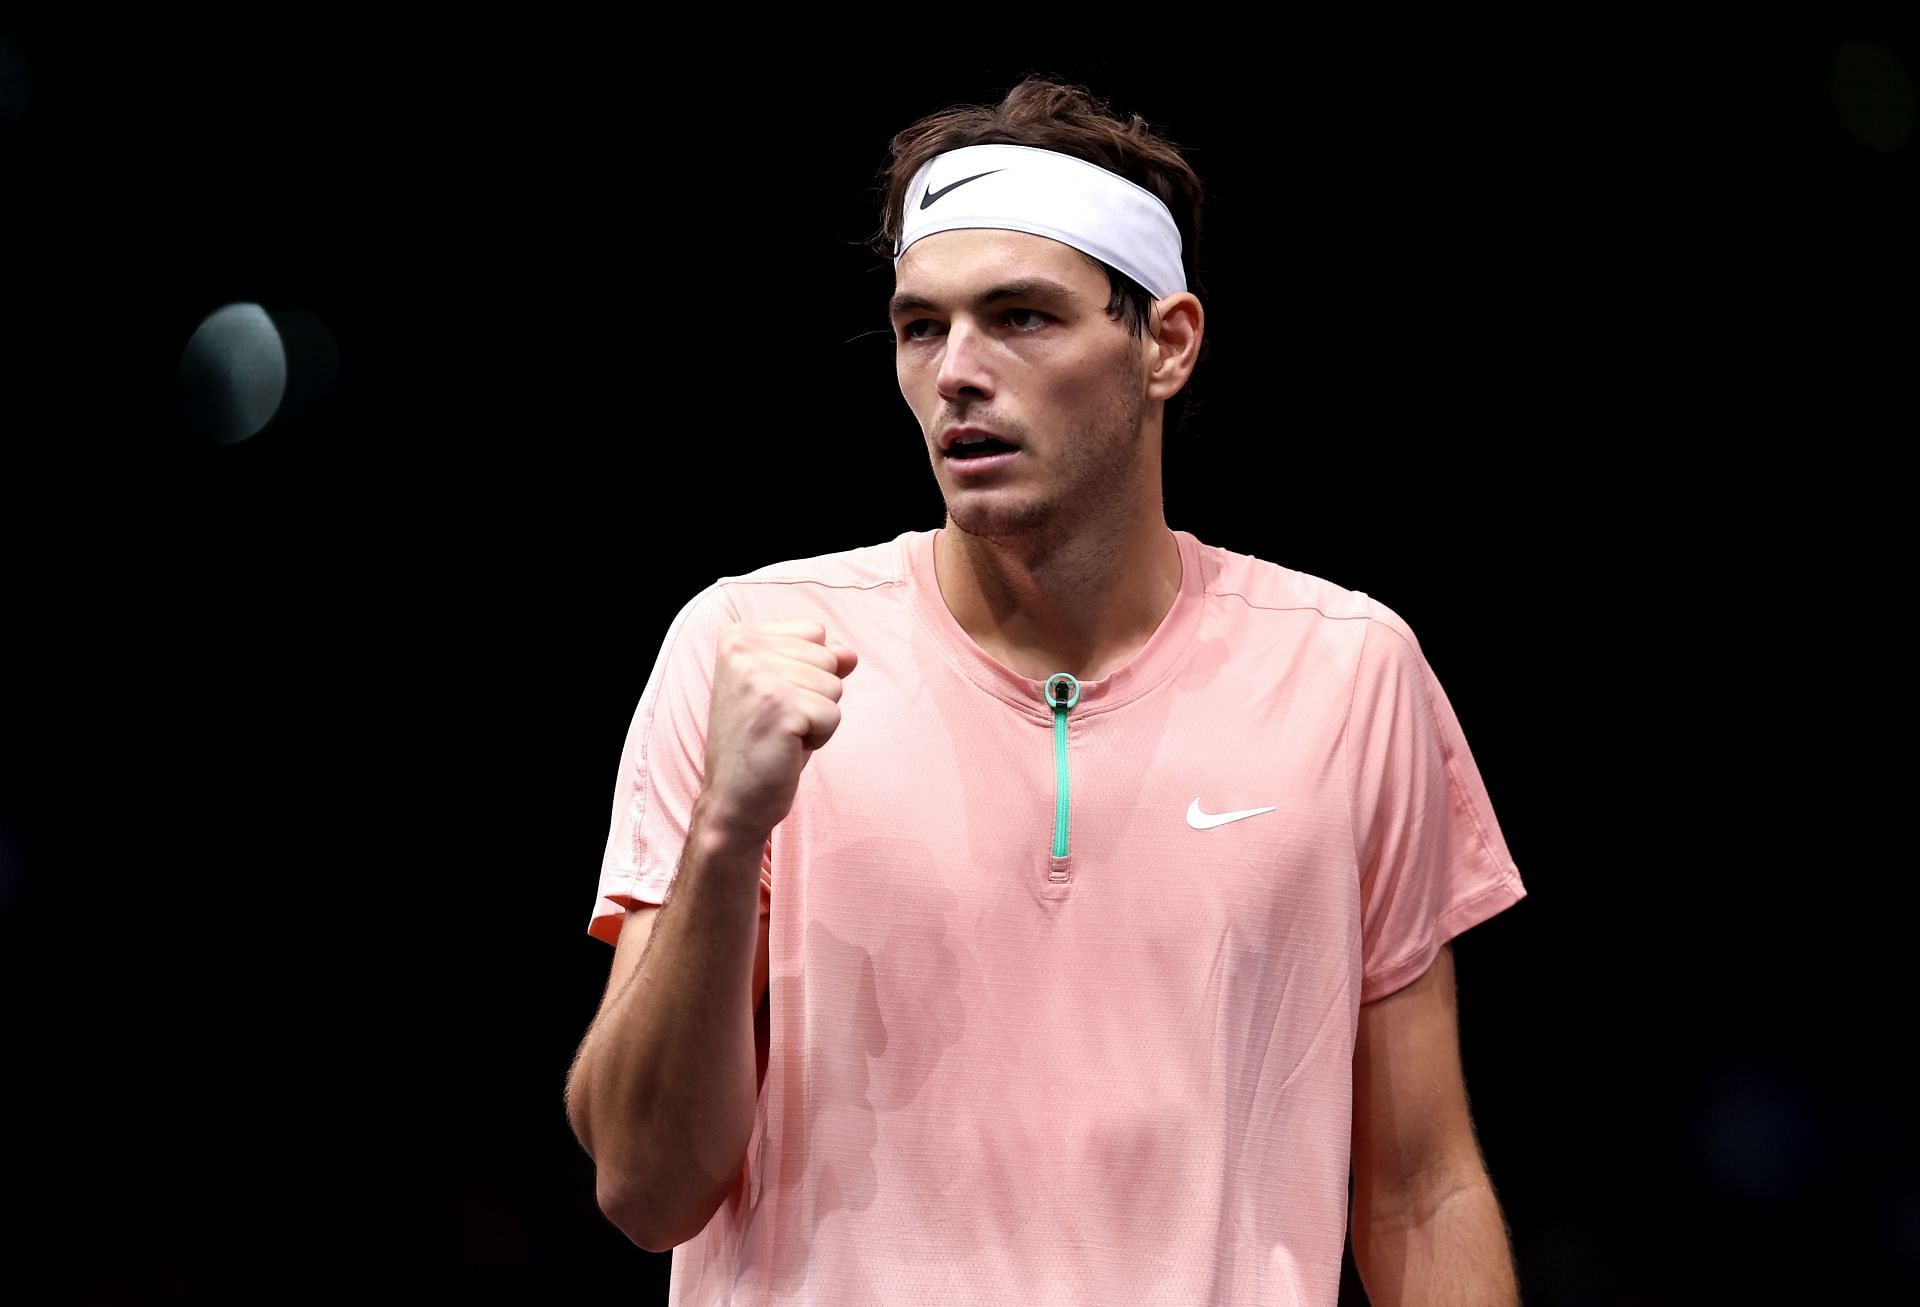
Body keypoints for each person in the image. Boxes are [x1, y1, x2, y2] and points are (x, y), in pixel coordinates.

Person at [564, 76, 1527, 1306]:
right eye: (923, 327)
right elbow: (645, 1189)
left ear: (1165, 343)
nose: (958, 371)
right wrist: (723, 834)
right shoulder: (748, 644)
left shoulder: (1348, 669)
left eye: (1022, 317)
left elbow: (1420, 1189)